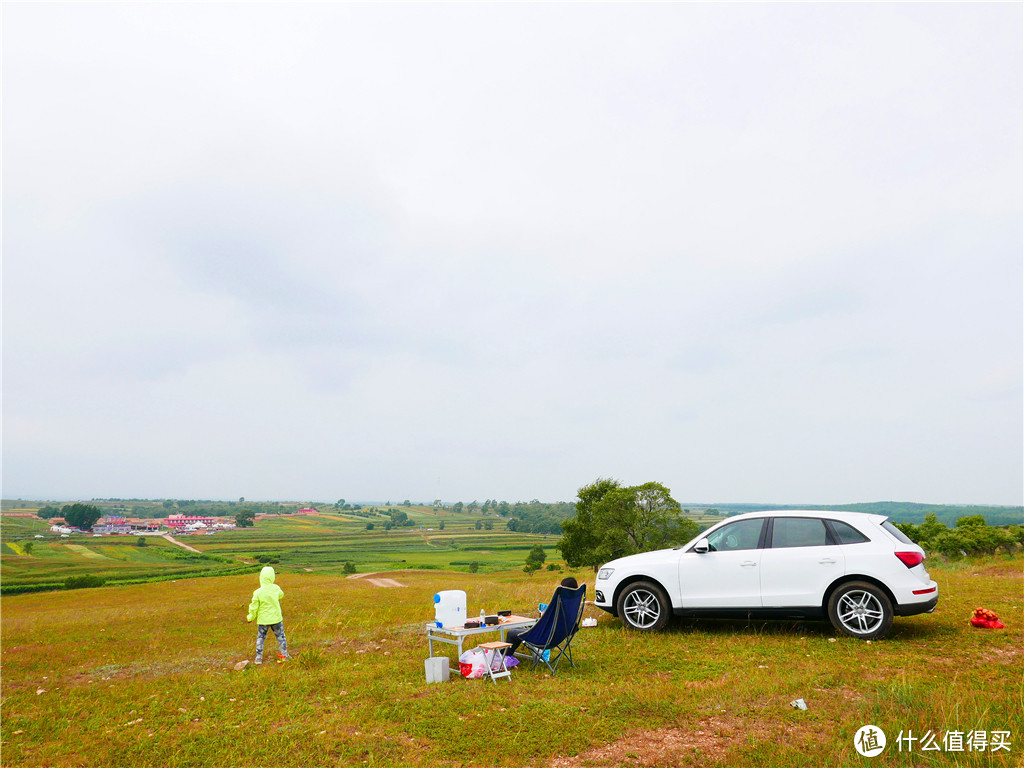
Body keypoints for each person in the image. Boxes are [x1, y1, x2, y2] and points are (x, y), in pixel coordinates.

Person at [505, 577, 578, 657]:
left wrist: (543, 614)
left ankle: (506, 658)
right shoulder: (573, 605)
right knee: (519, 631)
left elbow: (545, 621)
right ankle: (507, 656)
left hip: (544, 639)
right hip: (558, 638)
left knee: (511, 633)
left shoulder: (559, 605)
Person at [247, 565, 291, 664]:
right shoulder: (276, 588)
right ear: (272, 577)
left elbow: (253, 606)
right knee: (281, 637)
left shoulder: (257, 592)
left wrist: (250, 617)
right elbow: (281, 595)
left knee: (261, 638)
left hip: (263, 620)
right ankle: (285, 655)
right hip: (276, 619)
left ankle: (258, 658)